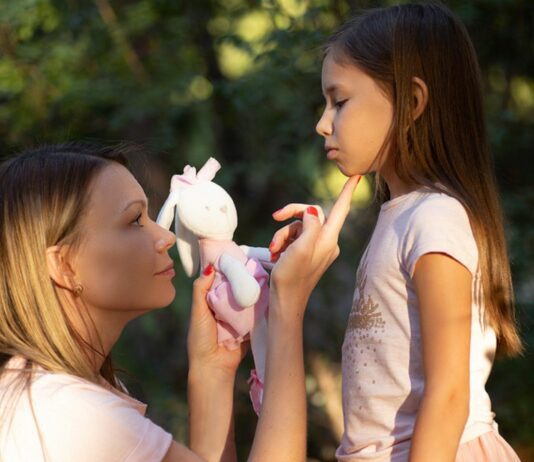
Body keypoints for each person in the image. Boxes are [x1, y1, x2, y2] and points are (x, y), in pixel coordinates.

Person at [269, 3, 522, 461]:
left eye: (339, 101)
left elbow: (448, 396)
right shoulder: (402, 216)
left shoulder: (434, 218)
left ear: (411, 102)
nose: (322, 123)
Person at [0, 142, 360, 461]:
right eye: (135, 221)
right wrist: (286, 308)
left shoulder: (47, 394)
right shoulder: (76, 416)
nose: (166, 237)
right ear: (64, 265)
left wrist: (212, 371)